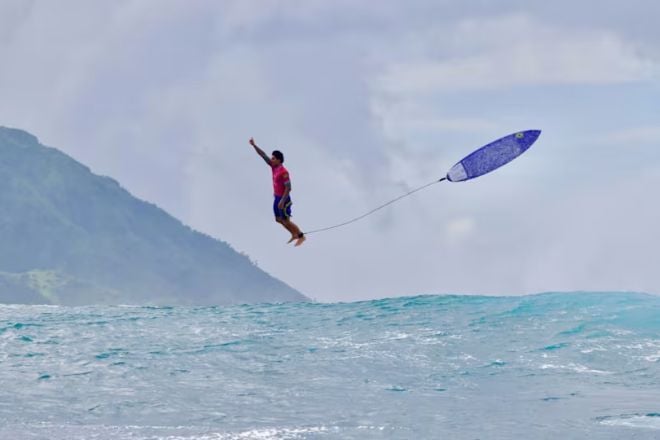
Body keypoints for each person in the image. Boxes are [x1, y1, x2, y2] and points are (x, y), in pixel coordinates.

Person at [249, 137, 306, 246]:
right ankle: (293, 234)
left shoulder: (284, 172)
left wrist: (282, 201)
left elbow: (289, 188)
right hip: (277, 197)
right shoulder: (273, 167)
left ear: (279, 160)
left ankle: (301, 236)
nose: (272, 159)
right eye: (272, 158)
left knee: (286, 220)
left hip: (284, 198)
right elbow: (263, 155)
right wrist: (254, 145)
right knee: (278, 219)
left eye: (274, 158)